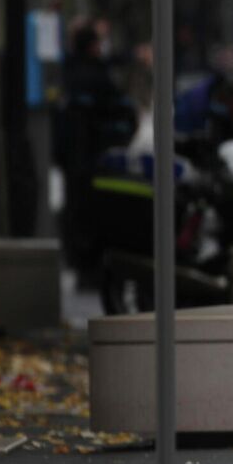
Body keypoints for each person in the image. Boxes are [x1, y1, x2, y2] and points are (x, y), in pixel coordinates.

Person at [55, 20, 138, 283]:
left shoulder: (66, 73)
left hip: (71, 158)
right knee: (93, 211)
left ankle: (78, 261)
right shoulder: (98, 76)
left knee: (74, 209)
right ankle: (90, 265)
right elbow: (122, 112)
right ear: (93, 47)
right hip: (95, 157)